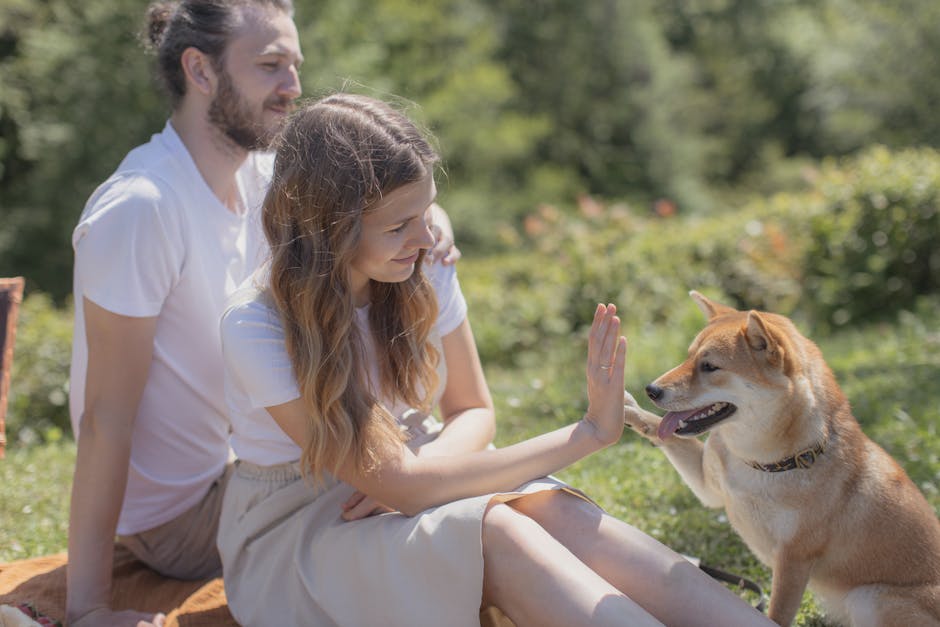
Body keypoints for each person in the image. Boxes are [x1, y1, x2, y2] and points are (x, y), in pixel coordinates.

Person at [217, 93, 775, 627]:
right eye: (398, 225)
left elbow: (471, 409)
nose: (426, 235)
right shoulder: (257, 325)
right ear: (330, 230)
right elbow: (403, 488)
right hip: (303, 526)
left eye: (427, 209)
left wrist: (418, 473)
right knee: (497, 531)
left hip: (414, 468)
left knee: (549, 510)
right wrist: (586, 434)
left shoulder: (420, 262)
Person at [65, 2, 458, 627]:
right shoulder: (141, 209)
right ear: (200, 70)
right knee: (427, 493)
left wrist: (430, 220)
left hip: (267, 455)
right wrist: (87, 608)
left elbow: (382, 201)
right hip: (189, 509)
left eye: (294, 65)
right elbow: (104, 418)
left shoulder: (266, 180)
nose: (293, 88)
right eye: (271, 65)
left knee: (439, 480)